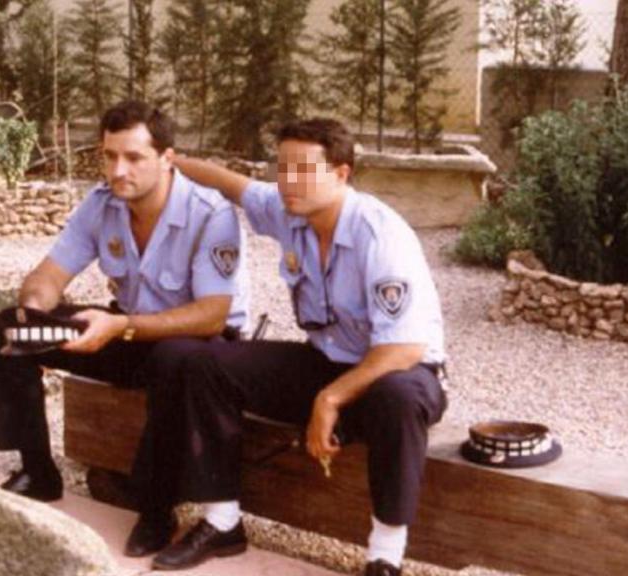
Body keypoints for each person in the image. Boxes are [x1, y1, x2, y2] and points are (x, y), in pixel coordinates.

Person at [147, 119, 447, 575]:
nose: (288, 182)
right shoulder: (290, 208)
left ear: (341, 174)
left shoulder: (381, 234)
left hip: (397, 371)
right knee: (206, 362)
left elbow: (404, 348)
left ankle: (385, 555)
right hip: (328, 361)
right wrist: (163, 161)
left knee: (398, 398)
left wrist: (329, 399)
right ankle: (222, 521)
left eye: (304, 170)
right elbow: (232, 184)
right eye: (282, 168)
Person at [0, 100, 248, 557]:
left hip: (197, 349)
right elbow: (49, 275)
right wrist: (35, 314)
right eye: (109, 156)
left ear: (167, 159)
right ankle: (39, 471)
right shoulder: (103, 203)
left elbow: (212, 315)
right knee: (8, 328)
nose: (118, 170)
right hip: (123, 334)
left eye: (134, 157)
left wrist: (122, 326)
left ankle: (155, 511)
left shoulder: (211, 213)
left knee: (174, 357)